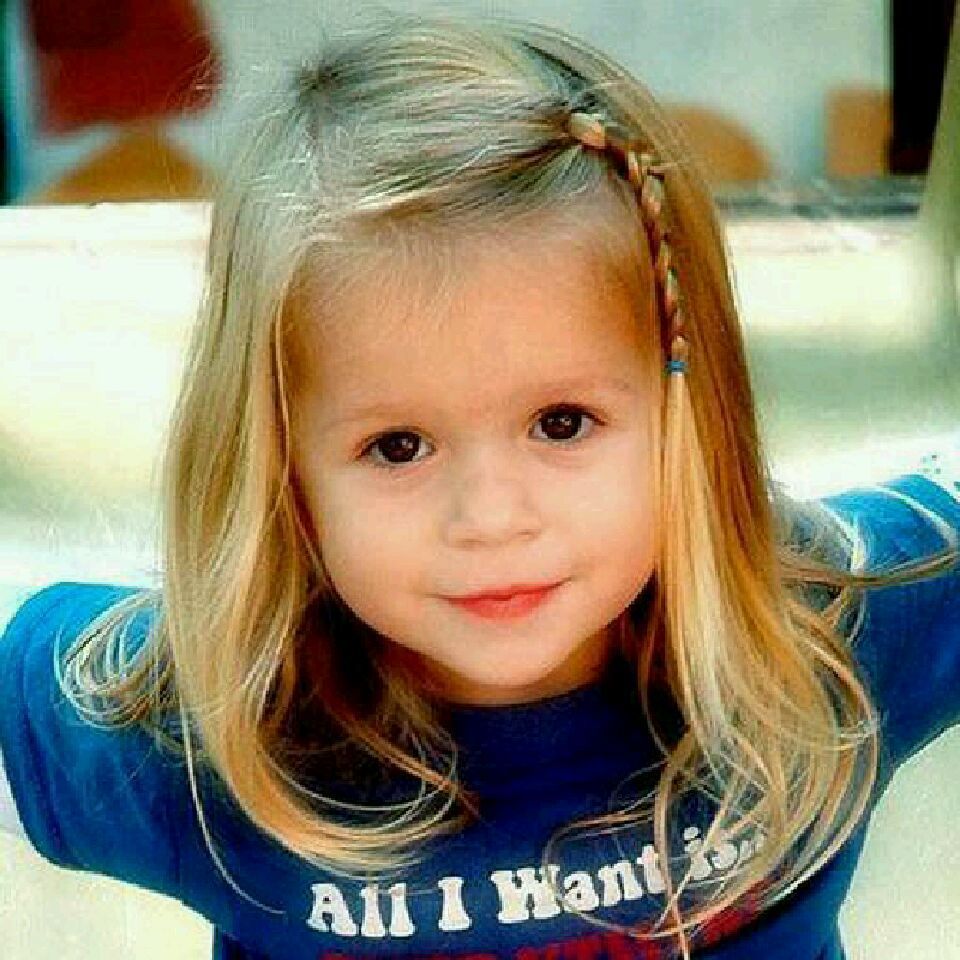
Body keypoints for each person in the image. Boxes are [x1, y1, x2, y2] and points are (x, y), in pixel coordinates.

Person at [1, 9, 959, 960]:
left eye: (562, 424)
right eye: (398, 447)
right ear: (281, 467)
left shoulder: (829, 633)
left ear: (688, 415)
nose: (492, 518)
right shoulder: (196, 725)